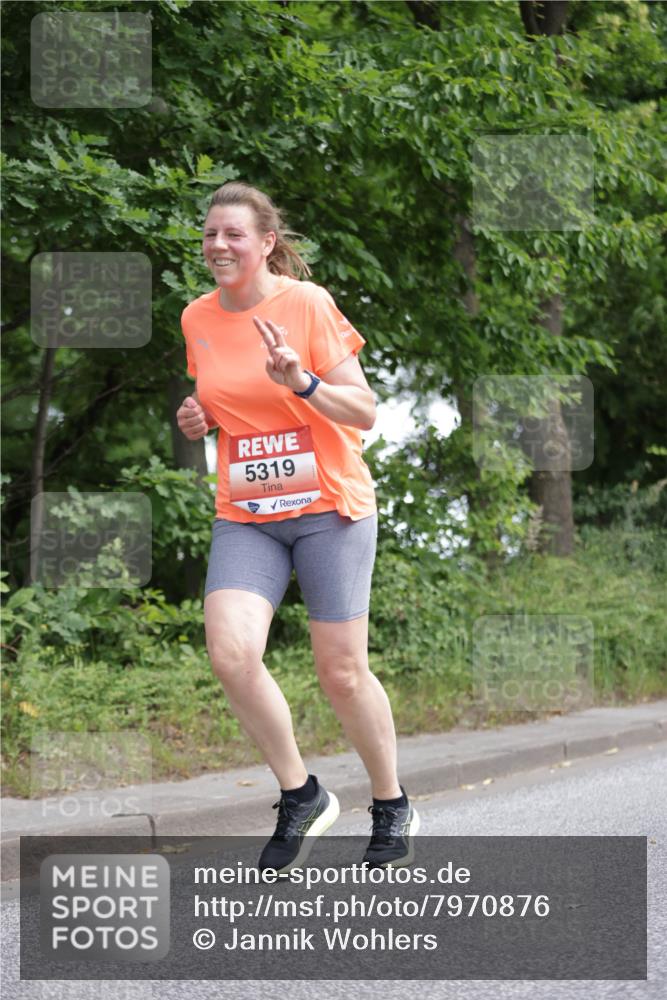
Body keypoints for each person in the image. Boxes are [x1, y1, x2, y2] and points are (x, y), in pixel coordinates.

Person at [177, 181, 419, 873]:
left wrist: (302, 382)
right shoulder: (197, 317)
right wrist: (200, 416)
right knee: (231, 653)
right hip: (249, 513)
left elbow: (364, 410)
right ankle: (301, 793)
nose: (218, 245)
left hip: (327, 508)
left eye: (233, 234)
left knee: (340, 672)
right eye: (210, 234)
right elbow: (224, 400)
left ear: (266, 242)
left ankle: (391, 802)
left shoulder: (306, 304)